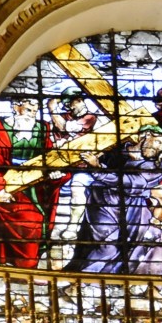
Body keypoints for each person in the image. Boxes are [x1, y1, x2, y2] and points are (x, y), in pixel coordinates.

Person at [63, 125, 162, 276]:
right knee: (106, 245)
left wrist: (98, 168)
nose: (160, 148)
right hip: (102, 204)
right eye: (158, 142)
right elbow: (84, 160)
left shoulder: (158, 165)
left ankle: (121, 283)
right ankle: (83, 281)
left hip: (133, 210)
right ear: (147, 135)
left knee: (137, 243)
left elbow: (131, 183)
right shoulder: (114, 148)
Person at [0, 97, 67, 268]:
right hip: (6, 186)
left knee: (40, 219)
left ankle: (28, 263)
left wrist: (55, 174)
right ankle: (26, 267)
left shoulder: (41, 128)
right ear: (16, 107)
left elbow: (50, 156)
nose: (32, 115)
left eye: (35, 111)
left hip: (35, 187)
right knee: (29, 221)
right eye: (28, 110)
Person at [48, 87, 99, 241]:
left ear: (80, 100)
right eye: (67, 104)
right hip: (63, 165)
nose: (69, 107)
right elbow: (55, 137)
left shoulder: (90, 118)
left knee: (77, 188)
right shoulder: (63, 116)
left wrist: (52, 109)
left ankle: (72, 226)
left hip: (84, 168)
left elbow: (65, 128)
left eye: (71, 103)